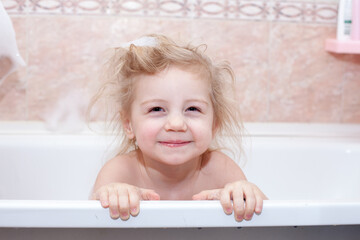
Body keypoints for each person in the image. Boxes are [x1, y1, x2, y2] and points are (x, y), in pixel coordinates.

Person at [90, 34, 267, 222]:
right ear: (129, 124)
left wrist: (248, 195)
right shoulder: (121, 171)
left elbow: (271, 224)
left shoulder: (221, 169)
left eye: (193, 108)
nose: (176, 124)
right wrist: (112, 194)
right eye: (156, 109)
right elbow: (88, 221)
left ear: (214, 125)